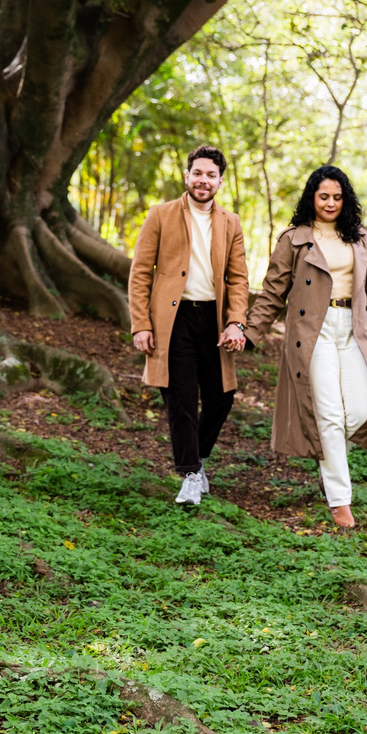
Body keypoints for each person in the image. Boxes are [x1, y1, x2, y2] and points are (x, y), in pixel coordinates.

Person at [244, 165, 367, 528]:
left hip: (354, 329)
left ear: (345, 200)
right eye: (324, 196)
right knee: (329, 416)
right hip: (313, 332)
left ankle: (329, 455)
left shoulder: (359, 238)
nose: (330, 203)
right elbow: (272, 293)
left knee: (359, 409)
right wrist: (250, 332)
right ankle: (340, 502)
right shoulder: (294, 239)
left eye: (337, 197)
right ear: (312, 198)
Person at [128, 146, 249, 505]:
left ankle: (198, 458)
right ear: (187, 176)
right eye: (198, 173)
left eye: (211, 175)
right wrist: (141, 324)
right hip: (173, 319)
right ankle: (191, 475)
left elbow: (238, 279)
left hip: (213, 319)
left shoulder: (231, 222)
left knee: (221, 396)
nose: (203, 180)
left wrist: (236, 323)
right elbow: (140, 272)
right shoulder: (160, 214)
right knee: (179, 398)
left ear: (220, 181)